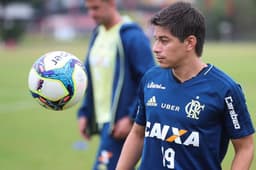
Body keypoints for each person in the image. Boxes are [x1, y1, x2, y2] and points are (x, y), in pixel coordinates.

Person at [116, 2, 255, 170]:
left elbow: (245, 147)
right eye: (156, 40)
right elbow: (138, 134)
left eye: (164, 41)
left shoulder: (225, 90)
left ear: (190, 42)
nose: (155, 48)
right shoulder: (150, 79)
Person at [77, 0, 155, 169]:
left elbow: (149, 80)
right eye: (88, 9)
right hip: (104, 121)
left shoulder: (132, 35)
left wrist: (132, 117)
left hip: (121, 124)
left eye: (96, 8)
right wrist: (85, 112)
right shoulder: (97, 33)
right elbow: (90, 76)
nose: (92, 13)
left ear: (111, 3)